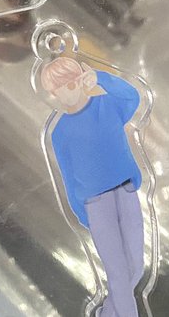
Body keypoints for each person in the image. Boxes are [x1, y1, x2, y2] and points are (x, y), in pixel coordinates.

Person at [40, 58, 145, 317]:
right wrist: (82, 212)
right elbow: (68, 175)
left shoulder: (108, 105)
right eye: (59, 89)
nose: (68, 91)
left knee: (135, 267)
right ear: (53, 95)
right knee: (118, 274)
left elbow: (132, 97)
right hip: (96, 205)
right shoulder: (60, 132)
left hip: (126, 192)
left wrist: (101, 78)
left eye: (71, 83)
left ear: (81, 80)